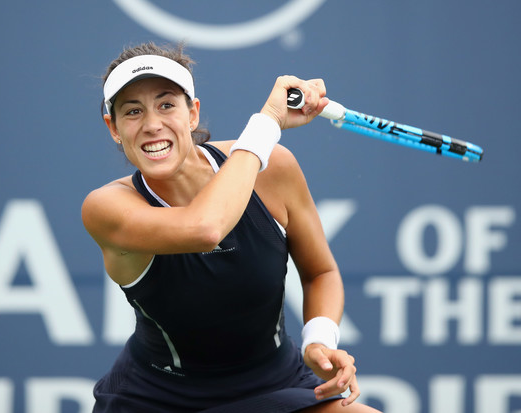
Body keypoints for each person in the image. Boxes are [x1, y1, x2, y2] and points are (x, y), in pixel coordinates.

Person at [82, 42, 380, 413]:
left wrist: (318, 341)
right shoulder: (105, 208)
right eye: (132, 112)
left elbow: (320, 271)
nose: (152, 124)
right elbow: (206, 228)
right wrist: (268, 121)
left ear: (193, 114)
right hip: (157, 402)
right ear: (113, 128)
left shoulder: (274, 168)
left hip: (276, 384)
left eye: (166, 105)